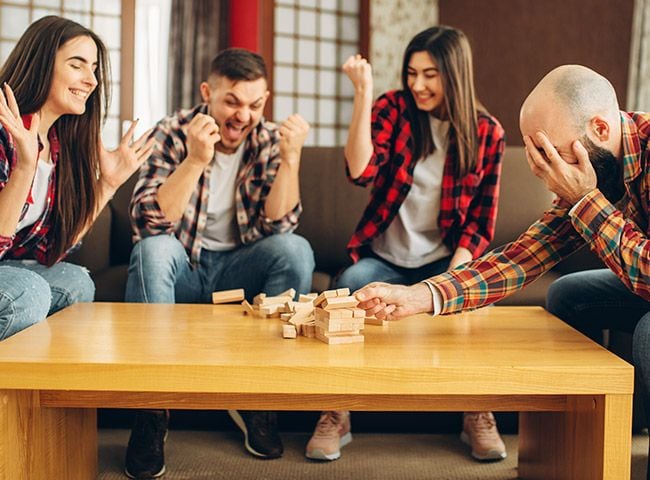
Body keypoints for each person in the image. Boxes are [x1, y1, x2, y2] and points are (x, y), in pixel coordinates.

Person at [354, 64, 650, 476]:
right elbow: (521, 257)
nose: (550, 178)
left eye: (551, 155)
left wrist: (584, 200)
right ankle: (571, 452)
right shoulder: (589, 172)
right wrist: (420, 295)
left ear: (600, 129)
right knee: (568, 295)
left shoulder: (597, 178)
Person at [305, 26, 506, 463]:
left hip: (445, 263)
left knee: (471, 306)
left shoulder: (488, 133)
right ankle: (336, 411)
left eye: (430, 74)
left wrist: (455, 282)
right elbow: (360, 170)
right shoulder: (393, 109)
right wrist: (363, 94)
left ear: (456, 75)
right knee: (352, 288)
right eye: (412, 73)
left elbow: (479, 224)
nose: (417, 84)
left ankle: (477, 412)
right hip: (384, 259)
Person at [123, 48, 315, 479]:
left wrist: (292, 158)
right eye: (232, 101)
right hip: (185, 267)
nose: (243, 115)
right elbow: (149, 221)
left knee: (296, 249)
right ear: (207, 93)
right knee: (151, 250)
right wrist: (195, 160)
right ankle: (153, 408)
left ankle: (259, 399)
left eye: (255, 104)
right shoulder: (173, 131)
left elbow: (280, 222)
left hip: (239, 271)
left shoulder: (268, 140)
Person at [0, 16, 152, 341]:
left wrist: (108, 184)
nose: (92, 80)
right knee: (29, 292)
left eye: (94, 68)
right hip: (14, 280)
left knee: (76, 281)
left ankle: (46, 387)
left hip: (10, 272)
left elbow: (52, 251)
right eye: (77, 65)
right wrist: (23, 169)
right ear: (42, 65)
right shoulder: (5, 131)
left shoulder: (56, 145)